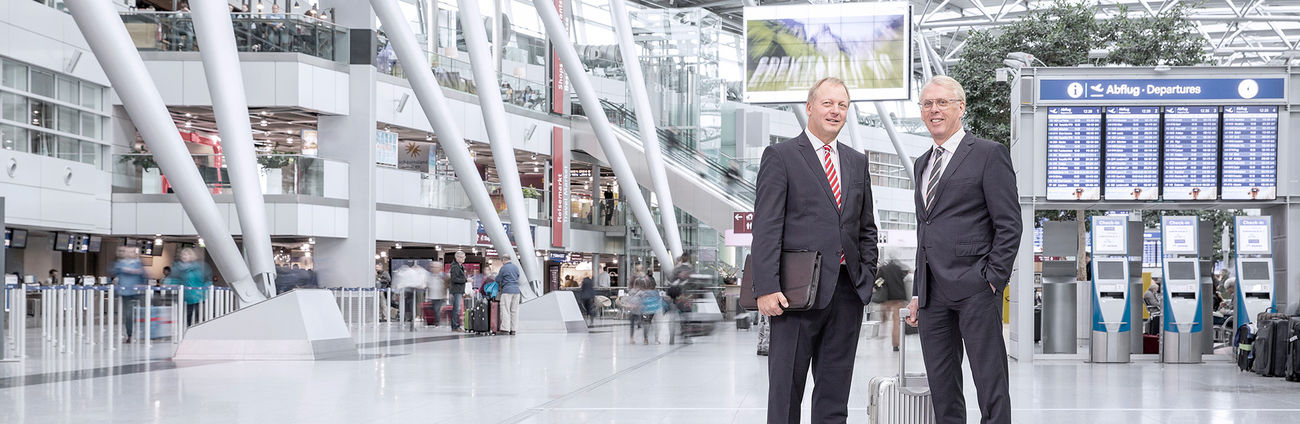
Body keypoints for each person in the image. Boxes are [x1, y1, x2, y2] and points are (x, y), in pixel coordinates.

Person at [752, 77, 879, 424]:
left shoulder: (856, 162)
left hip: (846, 293)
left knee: (834, 393)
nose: (835, 111)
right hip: (795, 295)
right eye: (828, 103)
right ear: (809, 107)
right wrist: (766, 287)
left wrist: (865, 277)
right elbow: (766, 226)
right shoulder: (781, 157)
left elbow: (865, 228)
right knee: (785, 391)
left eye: (842, 105)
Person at [904, 76, 1022, 424]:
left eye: (942, 102)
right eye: (927, 104)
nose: (934, 110)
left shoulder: (988, 154)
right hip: (932, 296)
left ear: (961, 107)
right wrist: (917, 293)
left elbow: (1009, 224)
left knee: (990, 382)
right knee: (943, 387)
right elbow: (925, 230)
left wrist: (991, 280)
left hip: (975, 288)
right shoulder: (922, 162)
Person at [110, 247, 147, 343]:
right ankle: (130, 334)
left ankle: (144, 333)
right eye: (128, 252)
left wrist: (141, 283)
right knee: (129, 315)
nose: (130, 253)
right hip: (126, 293)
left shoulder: (139, 264)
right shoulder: (120, 264)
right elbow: (112, 270)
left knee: (142, 313)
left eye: (132, 252)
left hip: (137, 292)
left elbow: (144, 275)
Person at [877, 259, 910, 351]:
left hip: (887, 298)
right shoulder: (899, 268)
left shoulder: (883, 269)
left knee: (884, 320)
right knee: (896, 322)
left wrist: (877, 287)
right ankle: (895, 345)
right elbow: (904, 276)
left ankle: (881, 337)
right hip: (899, 298)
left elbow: (878, 281)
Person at [173, 248, 211, 327]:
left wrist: (203, 290)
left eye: (186, 254)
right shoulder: (178, 268)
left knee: (194, 313)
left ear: (191, 256)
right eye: (183, 254)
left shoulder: (199, 267)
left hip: (196, 295)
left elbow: (206, 279)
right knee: (188, 314)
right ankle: (189, 328)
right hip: (186, 295)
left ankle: (194, 328)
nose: (184, 256)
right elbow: (175, 279)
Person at [497, 255, 521, 335]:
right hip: (516, 291)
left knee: (505, 310)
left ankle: (505, 329)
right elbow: (518, 277)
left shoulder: (504, 268)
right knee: (514, 311)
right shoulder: (515, 267)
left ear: (503, 260)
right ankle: (513, 329)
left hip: (507, 291)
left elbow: (498, 279)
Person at [448, 251, 468, 331]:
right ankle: (455, 326)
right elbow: (454, 279)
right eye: (462, 257)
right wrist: (465, 280)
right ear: (457, 258)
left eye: (464, 257)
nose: (464, 259)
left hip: (459, 290)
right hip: (456, 290)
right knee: (456, 309)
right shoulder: (455, 267)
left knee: (457, 309)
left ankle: (456, 325)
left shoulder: (460, 266)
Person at [425, 261, 448, 326]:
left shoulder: (443, 276)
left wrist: (445, 294)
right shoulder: (429, 276)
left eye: (435, 267)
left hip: (440, 296)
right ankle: (432, 321)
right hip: (432, 296)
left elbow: (447, 285)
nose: (433, 268)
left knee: (436, 309)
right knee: (434, 309)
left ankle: (436, 322)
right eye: (432, 267)